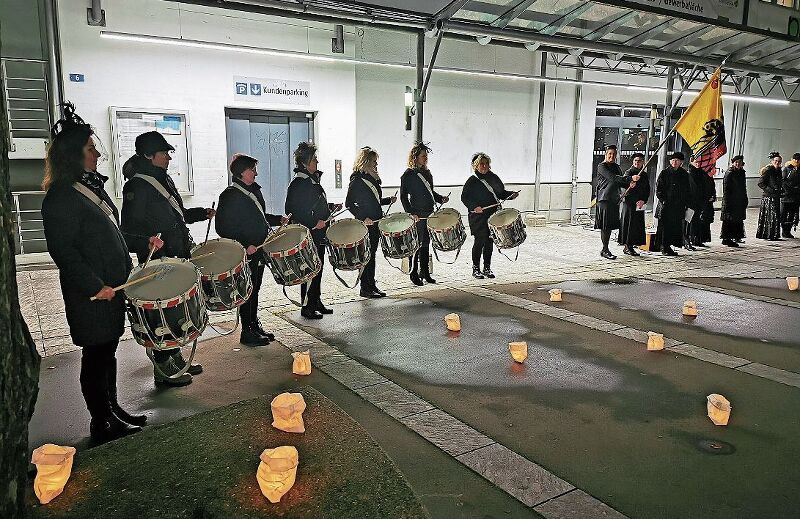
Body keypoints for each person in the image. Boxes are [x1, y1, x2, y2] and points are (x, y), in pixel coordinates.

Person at [41, 103, 146, 442]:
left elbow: (110, 234)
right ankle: (100, 421)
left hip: (110, 289)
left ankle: (112, 408)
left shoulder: (89, 189)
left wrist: (146, 242)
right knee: (96, 355)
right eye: (90, 148)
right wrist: (95, 285)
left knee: (107, 352)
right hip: (92, 294)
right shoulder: (60, 196)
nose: (97, 153)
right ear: (74, 154)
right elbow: (64, 251)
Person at [121, 131, 214, 387]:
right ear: (148, 156)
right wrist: (147, 240)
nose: (168, 158)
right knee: (161, 315)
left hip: (176, 257)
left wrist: (200, 213)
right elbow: (127, 230)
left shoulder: (164, 179)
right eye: (164, 153)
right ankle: (163, 371)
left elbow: (179, 214)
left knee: (176, 314)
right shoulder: (136, 187)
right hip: (158, 263)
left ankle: (175, 358)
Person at [215, 154, 289, 346]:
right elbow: (223, 227)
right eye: (252, 169)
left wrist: (276, 220)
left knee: (254, 289)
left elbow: (258, 216)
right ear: (241, 172)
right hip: (245, 252)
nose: (256, 173)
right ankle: (247, 332)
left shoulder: (253, 191)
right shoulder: (229, 195)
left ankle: (254, 324)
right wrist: (244, 244)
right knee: (246, 291)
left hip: (257, 250)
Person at [285, 141, 342, 319]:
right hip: (309, 233)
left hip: (318, 233)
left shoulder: (311, 181)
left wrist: (330, 208)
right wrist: (313, 222)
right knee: (309, 270)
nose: (317, 161)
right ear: (305, 162)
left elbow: (314, 204)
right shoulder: (299, 183)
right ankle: (307, 306)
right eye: (314, 159)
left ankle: (315, 301)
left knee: (318, 268)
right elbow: (292, 210)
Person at [345, 146, 396, 298]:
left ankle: (371, 285)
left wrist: (388, 200)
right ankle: (365, 288)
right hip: (365, 224)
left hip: (375, 222)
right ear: (365, 162)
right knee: (366, 255)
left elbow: (374, 201)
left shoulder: (371, 179)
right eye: (374, 161)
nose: (376, 165)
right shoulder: (357, 179)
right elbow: (349, 203)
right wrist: (362, 217)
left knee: (372, 255)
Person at [461, 152, 518, 278]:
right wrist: (474, 207)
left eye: (487, 164)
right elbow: (464, 197)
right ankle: (476, 268)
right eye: (482, 164)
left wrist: (510, 195)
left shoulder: (494, 178)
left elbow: (501, 193)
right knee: (479, 241)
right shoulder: (472, 181)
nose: (485, 166)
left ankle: (487, 268)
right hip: (478, 217)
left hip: (492, 215)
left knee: (489, 241)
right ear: (476, 166)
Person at [400, 142, 449, 285]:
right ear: (415, 157)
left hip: (429, 212)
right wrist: (411, 213)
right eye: (423, 156)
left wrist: (440, 198)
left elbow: (430, 192)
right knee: (416, 244)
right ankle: (413, 273)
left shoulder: (428, 173)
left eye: (426, 156)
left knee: (426, 244)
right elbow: (404, 197)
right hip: (417, 215)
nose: (425, 158)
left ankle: (425, 272)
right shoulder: (408, 175)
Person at [594, 144, 637, 260]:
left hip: (614, 200)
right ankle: (605, 249)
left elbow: (620, 181)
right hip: (604, 200)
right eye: (610, 154)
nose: (611, 156)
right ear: (606, 154)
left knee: (611, 225)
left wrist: (629, 184)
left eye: (613, 154)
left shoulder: (617, 167)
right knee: (605, 226)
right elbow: (612, 178)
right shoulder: (601, 166)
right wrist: (630, 179)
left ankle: (606, 249)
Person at [653, 151, 690, 256]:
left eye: (677, 160)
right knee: (664, 227)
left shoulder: (684, 174)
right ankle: (663, 247)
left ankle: (669, 246)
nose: (675, 162)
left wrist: (685, 203)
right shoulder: (664, 173)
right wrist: (664, 200)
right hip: (666, 205)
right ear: (670, 161)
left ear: (681, 162)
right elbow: (658, 189)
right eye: (673, 160)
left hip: (678, 206)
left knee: (674, 227)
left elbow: (687, 190)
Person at [617, 152, 649, 256]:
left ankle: (632, 244)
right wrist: (629, 184)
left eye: (639, 161)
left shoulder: (644, 174)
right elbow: (622, 186)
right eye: (635, 161)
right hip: (630, 203)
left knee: (637, 225)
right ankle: (628, 246)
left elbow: (647, 189)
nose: (637, 163)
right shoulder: (628, 172)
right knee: (629, 225)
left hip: (639, 204)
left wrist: (643, 200)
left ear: (643, 162)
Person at [720, 155, 748, 247]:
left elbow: (744, 187)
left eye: (739, 163)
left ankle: (736, 236)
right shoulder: (730, 173)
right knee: (729, 220)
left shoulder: (742, 173)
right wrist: (727, 202)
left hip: (739, 200)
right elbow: (726, 188)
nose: (738, 164)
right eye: (736, 162)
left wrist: (745, 198)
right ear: (733, 163)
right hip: (731, 200)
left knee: (737, 219)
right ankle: (727, 238)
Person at [756, 151, 783, 241]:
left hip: (776, 196)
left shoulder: (779, 171)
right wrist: (770, 190)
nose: (777, 163)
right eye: (776, 161)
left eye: (779, 161)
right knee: (770, 216)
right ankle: (768, 234)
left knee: (775, 216)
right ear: (772, 161)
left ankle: (774, 234)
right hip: (768, 197)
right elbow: (760, 183)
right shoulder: (768, 170)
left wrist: (780, 190)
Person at [685, 158, 708, 250]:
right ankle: (686, 241)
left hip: (699, 201)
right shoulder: (688, 174)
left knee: (696, 221)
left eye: (699, 162)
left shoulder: (701, 173)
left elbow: (703, 188)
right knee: (688, 222)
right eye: (696, 162)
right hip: (690, 202)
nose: (698, 164)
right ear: (691, 161)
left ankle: (695, 239)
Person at [781, 152, 800, 238]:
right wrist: (788, 190)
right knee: (784, 213)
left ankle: (788, 231)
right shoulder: (787, 169)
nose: (796, 161)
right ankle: (784, 230)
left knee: (792, 214)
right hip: (787, 196)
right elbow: (783, 181)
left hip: (796, 196)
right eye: (795, 159)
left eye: (798, 160)